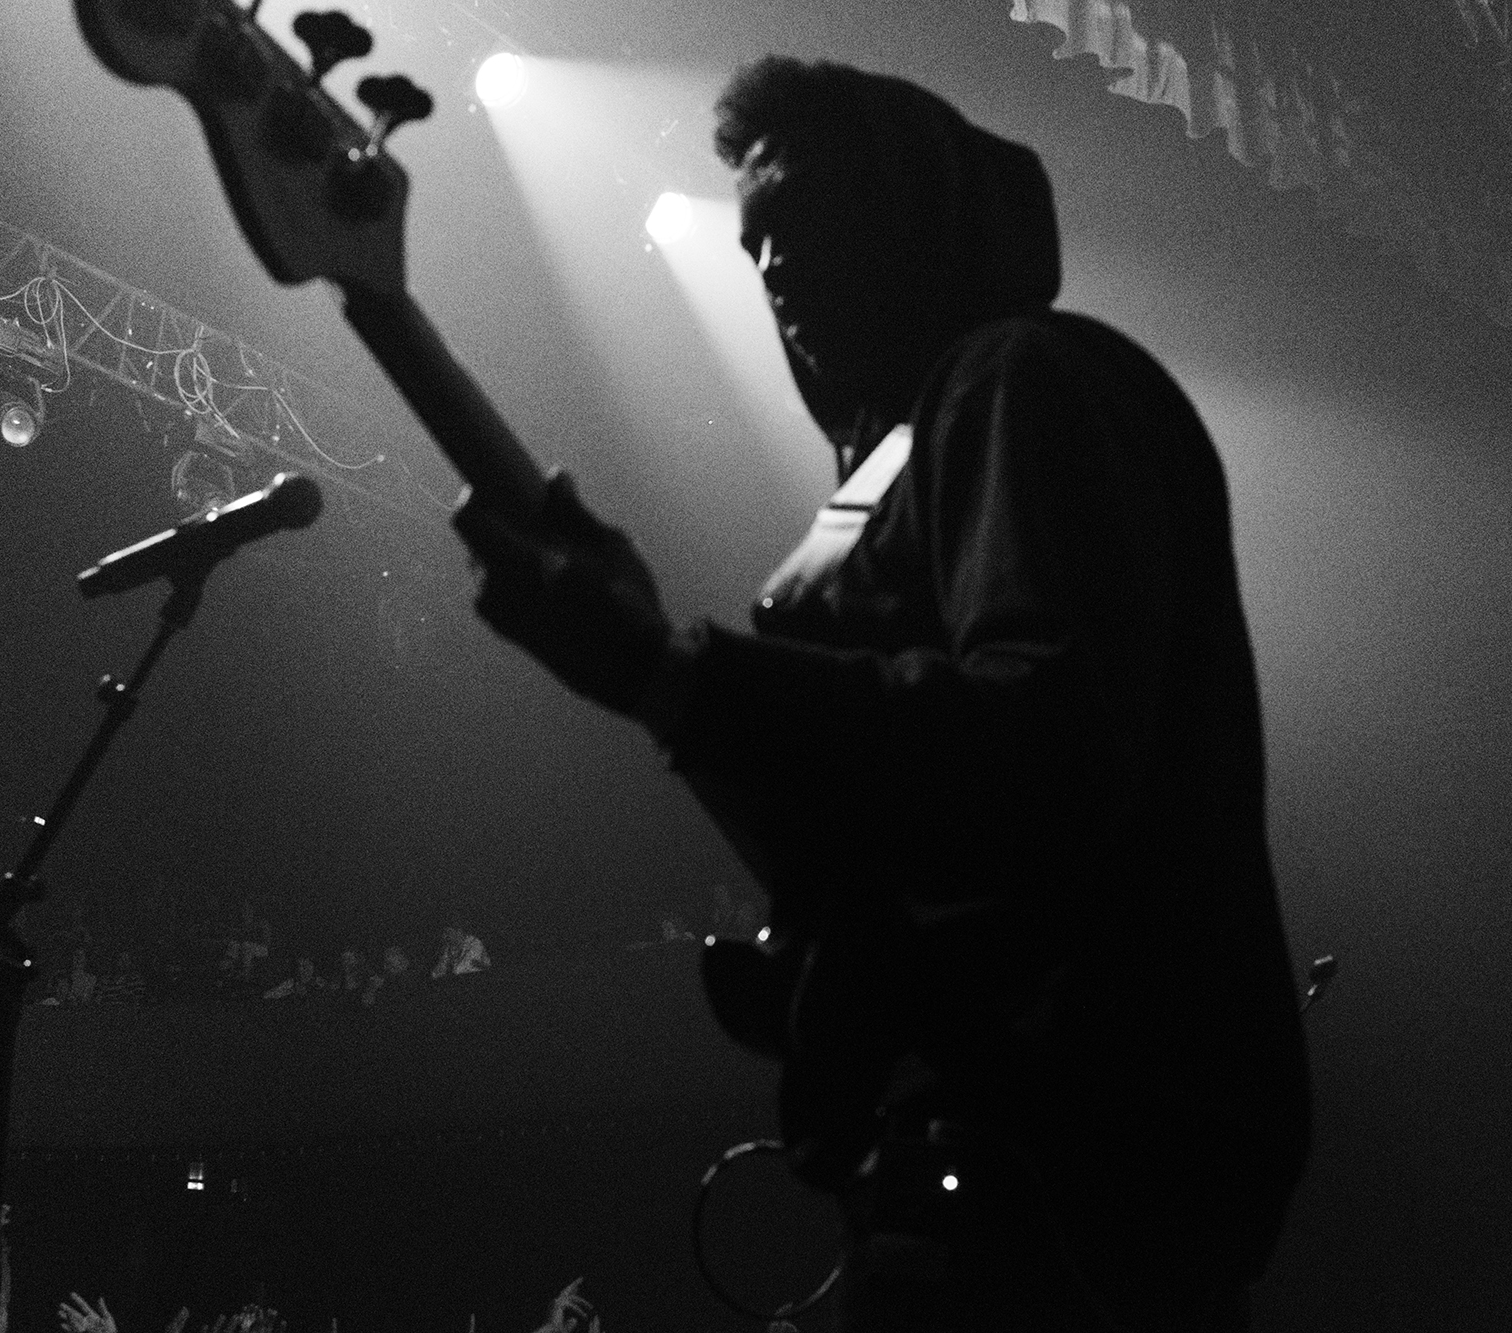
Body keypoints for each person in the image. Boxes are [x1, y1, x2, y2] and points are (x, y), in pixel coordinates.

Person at [453, 56, 1310, 1331]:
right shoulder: (899, 468)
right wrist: (663, 685)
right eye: (754, 243)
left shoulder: (1025, 379)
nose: (772, 267)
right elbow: (863, 852)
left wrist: (680, 671)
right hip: (986, 1182)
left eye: (802, 217)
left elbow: (1046, 752)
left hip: (1074, 1180)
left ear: (914, 213)